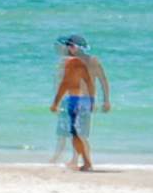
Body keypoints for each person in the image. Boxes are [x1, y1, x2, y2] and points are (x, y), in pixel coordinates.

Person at [47, 34, 112, 171]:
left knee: (80, 134)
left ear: (80, 47)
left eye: (72, 46)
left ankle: (86, 162)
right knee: (75, 133)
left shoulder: (92, 61)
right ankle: (77, 160)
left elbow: (103, 80)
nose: (69, 48)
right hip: (74, 99)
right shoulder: (70, 61)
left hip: (83, 101)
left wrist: (106, 100)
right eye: (68, 46)